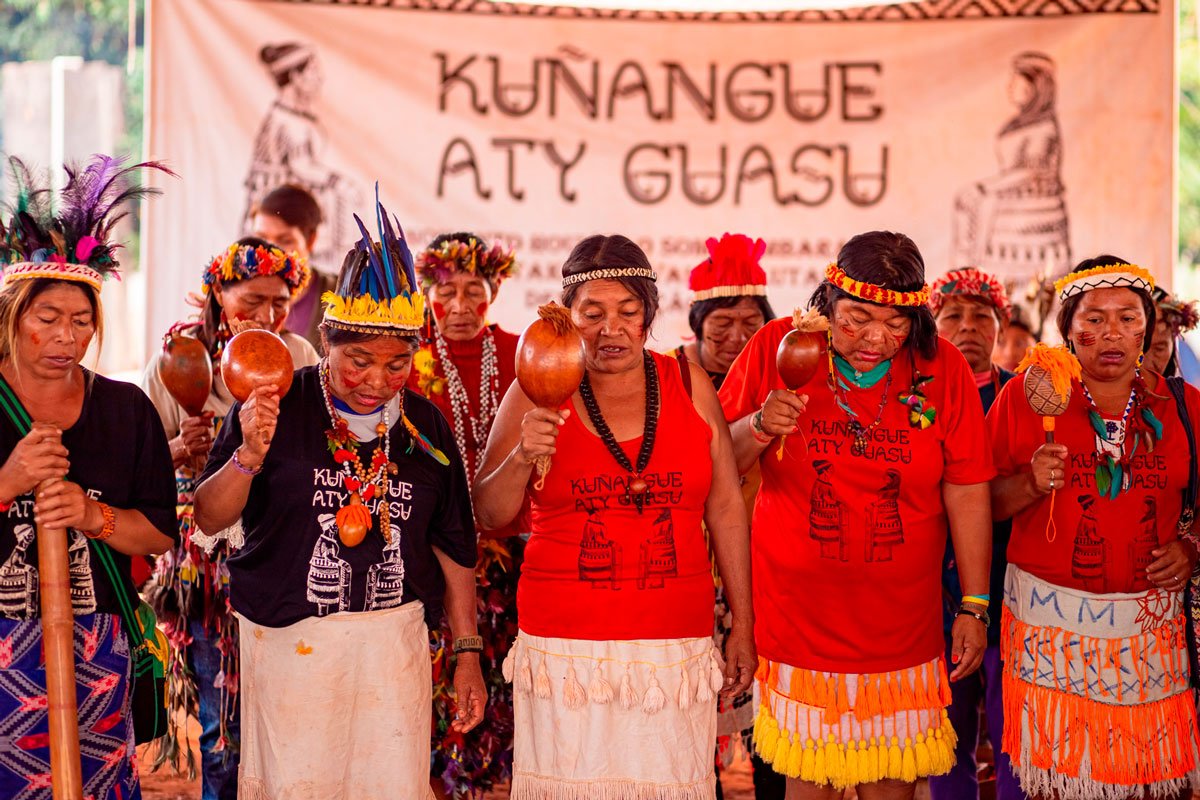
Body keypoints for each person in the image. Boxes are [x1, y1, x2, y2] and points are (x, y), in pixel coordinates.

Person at [192, 192, 485, 799]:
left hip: (390, 652)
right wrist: (248, 453)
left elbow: (454, 545)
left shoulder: (424, 428)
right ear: (325, 340)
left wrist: (467, 653)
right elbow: (209, 516)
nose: (377, 380)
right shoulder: (276, 403)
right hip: (289, 649)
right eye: (358, 361)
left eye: (397, 364)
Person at [473, 234, 755, 798]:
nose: (612, 329)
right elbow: (487, 511)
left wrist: (743, 623)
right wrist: (521, 456)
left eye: (628, 312)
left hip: (674, 646)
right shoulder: (537, 389)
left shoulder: (687, 382)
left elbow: (724, 505)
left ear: (649, 315)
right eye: (592, 314)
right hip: (565, 649)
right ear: (566, 318)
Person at [720, 231, 995, 799]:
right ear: (827, 302)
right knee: (808, 787)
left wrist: (974, 602)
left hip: (902, 635)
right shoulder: (780, 345)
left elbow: (966, 490)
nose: (875, 338)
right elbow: (716, 465)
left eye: (895, 324)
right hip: (798, 630)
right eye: (856, 319)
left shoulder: (941, 366)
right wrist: (758, 426)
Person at [989, 257, 1200, 800]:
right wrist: (1029, 484)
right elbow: (979, 503)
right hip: (1051, 631)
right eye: (1094, 318)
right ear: (1067, 328)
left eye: (1129, 318)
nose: (1112, 333)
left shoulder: (1183, 405)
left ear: (1149, 330)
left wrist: (1191, 544)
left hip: (1152, 632)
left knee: (1152, 782)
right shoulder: (1026, 396)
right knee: (1060, 781)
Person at [0, 155, 177, 799]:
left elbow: (157, 534)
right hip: (1, 645)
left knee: (96, 784)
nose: (66, 338)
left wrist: (90, 516)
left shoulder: (126, 409)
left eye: (81, 321)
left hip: (96, 646)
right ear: (11, 317)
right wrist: (9, 480)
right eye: (47, 319)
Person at [141, 236, 316, 798]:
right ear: (219, 290)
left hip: (280, 553)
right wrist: (174, 449)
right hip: (204, 565)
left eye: (280, 304)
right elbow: (134, 471)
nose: (267, 315)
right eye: (254, 299)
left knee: (285, 707)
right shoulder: (179, 359)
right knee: (221, 717)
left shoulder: (301, 358)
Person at [409, 232, 521, 796]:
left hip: (509, 553)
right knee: (434, 687)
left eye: (473, 290)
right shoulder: (404, 357)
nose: (458, 307)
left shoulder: (526, 353)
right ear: (424, 291)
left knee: (503, 690)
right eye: (443, 291)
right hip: (431, 553)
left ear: (493, 292)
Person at [674, 232, 781, 799]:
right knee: (695, 725)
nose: (737, 338)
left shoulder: (781, 381)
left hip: (766, 571)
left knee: (771, 730)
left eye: (751, 326)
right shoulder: (671, 385)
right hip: (693, 572)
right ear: (698, 327)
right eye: (722, 327)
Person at [926, 268, 1026, 800]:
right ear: (933, 325)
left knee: (1015, 730)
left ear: (1000, 325)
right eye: (953, 317)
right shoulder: (918, 401)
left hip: (1012, 588)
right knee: (948, 733)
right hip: (934, 592)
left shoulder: (1024, 400)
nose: (967, 327)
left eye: (980, 316)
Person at [953, 52, 1071, 278]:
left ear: (1032, 88)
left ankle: (970, 274)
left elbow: (1032, 172)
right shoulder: (1019, 124)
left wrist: (986, 188)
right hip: (1009, 194)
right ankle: (965, 275)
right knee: (967, 199)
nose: (1009, 88)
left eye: (1015, 83)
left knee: (976, 197)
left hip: (1033, 202)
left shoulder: (1043, 128)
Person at [674, 233, 775, 391]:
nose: (737, 338)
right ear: (698, 323)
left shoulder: (779, 373)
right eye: (722, 323)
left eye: (750, 323)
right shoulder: (665, 373)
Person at [250, 183, 339, 350]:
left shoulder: (341, 295)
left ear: (311, 240)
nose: (271, 252)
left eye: (285, 241)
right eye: (261, 239)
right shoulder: (239, 295)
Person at [1145, 286, 1199, 377]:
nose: (1148, 364)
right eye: (1141, 349)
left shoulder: (1187, 391)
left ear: (1173, 344)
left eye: (1159, 349)